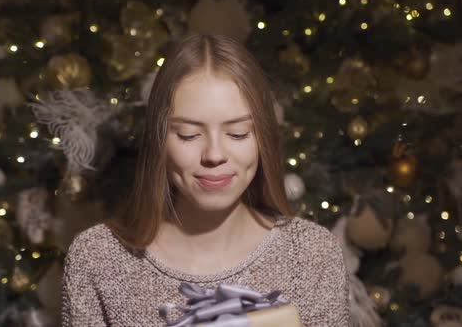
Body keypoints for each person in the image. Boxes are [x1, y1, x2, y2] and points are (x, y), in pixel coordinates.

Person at [61, 33, 349, 327]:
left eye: (237, 133)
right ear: (160, 140)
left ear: (263, 138)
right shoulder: (97, 257)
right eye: (188, 135)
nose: (213, 155)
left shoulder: (313, 254)